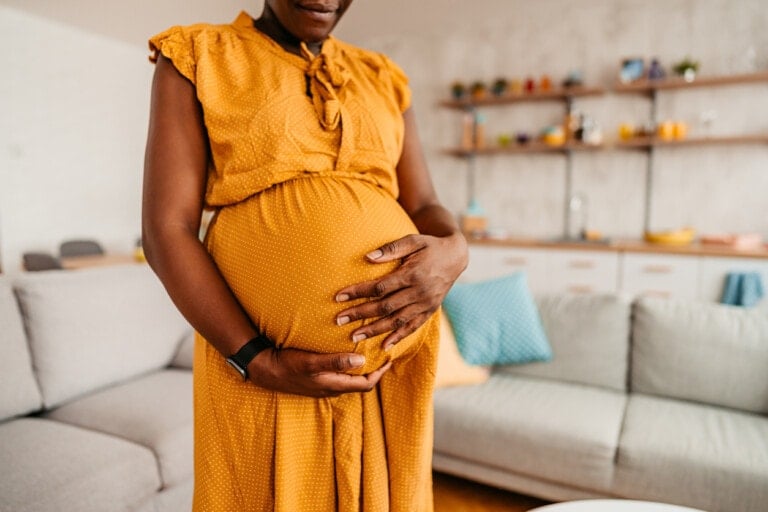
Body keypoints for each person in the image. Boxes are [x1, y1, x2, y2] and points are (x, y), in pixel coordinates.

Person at [142, 1, 468, 510]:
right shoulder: (197, 56)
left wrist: (455, 249)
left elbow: (424, 204)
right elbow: (167, 230)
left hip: (388, 377)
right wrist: (257, 359)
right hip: (259, 367)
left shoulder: (383, 78)